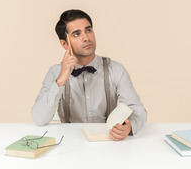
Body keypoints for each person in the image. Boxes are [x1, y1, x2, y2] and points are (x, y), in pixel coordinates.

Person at [31, 9, 147, 141]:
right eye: (76, 34)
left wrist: (130, 127)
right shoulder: (55, 73)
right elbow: (38, 118)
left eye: (88, 30)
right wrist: (60, 81)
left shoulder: (115, 69)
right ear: (65, 43)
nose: (86, 38)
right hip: (71, 143)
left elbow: (138, 109)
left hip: (109, 142)